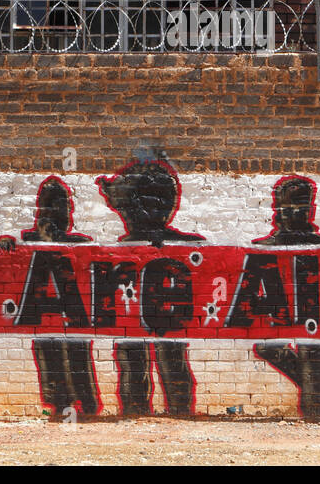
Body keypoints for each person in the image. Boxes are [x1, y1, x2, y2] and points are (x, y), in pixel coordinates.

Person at [97, 159, 200, 415]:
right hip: (159, 312)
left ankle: (143, 412)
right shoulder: (188, 245)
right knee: (162, 360)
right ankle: (171, 412)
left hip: (150, 311)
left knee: (145, 360)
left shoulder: (117, 252)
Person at [14, 176, 101, 420]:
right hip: (45, 315)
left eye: (65, 206)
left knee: (76, 357)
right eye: (56, 206)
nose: (63, 212)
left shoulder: (79, 243)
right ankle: (62, 404)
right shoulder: (28, 241)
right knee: (51, 358)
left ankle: (85, 404)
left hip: (74, 316)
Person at [253, 175, 320, 420]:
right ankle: (317, 397)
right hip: (280, 308)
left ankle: (315, 408)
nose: (294, 211)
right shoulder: (266, 246)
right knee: (266, 346)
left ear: (311, 209)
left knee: (313, 351)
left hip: (313, 312)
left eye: (300, 205)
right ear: (277, 208)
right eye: (287, 206)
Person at [254, 175, 320, 246]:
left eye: (301, 209)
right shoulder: (261, 248)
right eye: (288, 209)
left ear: (310, 211)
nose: (295, 214)